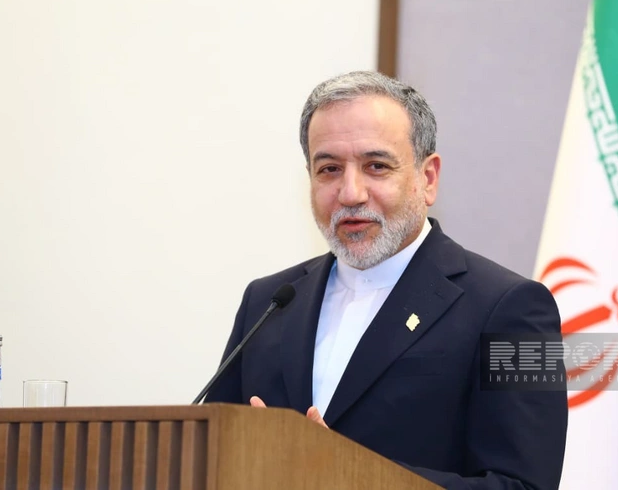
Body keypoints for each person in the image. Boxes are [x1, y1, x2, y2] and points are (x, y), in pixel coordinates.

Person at [205, 70, 568, 489]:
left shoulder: (518, 307)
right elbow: (210, 454)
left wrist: (346, 474)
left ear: (427, 178)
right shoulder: (267, 301)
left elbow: (525, 486)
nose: (350, 193)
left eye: (376, 166)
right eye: (329, 169)